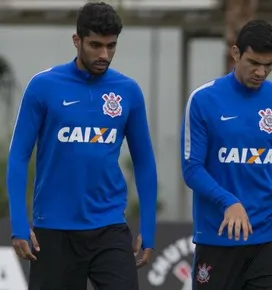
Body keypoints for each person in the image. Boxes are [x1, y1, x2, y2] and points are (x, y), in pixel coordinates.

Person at [6, 2, 158, 290]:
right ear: (77, 41)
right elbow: (18, 156)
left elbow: (144, 161)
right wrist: (18, 225)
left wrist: (148, 230)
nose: (104, 55)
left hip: (109, 226)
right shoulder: (43, 86)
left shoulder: (128, 91)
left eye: (111, 46)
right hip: (54, 229)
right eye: (96, 45)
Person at [180, 19, 272, 290]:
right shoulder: (204, 100)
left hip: (269, 238)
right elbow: (192, 168)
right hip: (217, 238)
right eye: (254, 63)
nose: (261, 72)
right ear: (236, 53)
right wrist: (228, 202)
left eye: (269, 65)